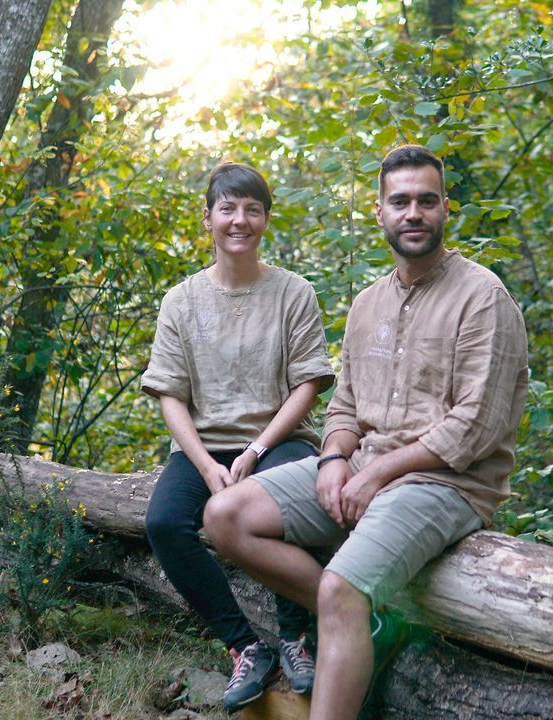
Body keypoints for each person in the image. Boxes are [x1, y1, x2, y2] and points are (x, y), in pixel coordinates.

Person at [204, 144, 529, 719]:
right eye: (399, 201)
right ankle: (367, 622)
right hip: (365, 465)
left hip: (446, 484)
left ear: (445, 210)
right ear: (378, 211)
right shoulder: (368, 303)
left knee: (340, 588)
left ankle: (347, 612)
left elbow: (475, 427)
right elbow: (345, 406)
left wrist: (376, 472)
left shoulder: (483, 298)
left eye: (426, 201)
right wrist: (333, 460)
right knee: (225, 516)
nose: (413, 213)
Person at [140, 162, 334, 711]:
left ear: (266, 219)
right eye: (228, 208)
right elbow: (170, 394)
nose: (239, 220)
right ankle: (246, 647)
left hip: (281, 440)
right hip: (204, 446)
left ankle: (296, 638)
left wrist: (257, 450)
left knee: (284, 506)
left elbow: (308, 384)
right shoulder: (181, 300)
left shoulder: (293, 293)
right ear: (208, 218)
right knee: (164, 523)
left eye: (251, 209)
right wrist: (204, 466)